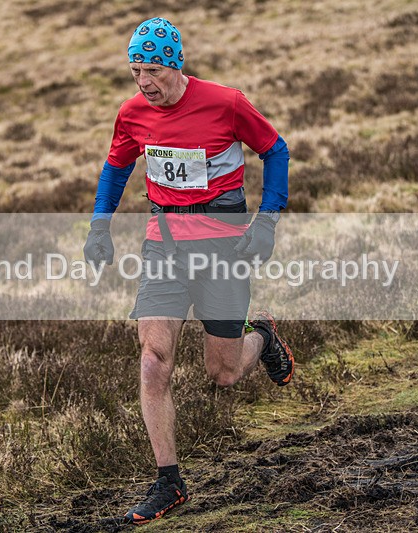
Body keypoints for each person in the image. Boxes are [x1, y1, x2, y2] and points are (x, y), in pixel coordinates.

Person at [83, 16, 294, 525]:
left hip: (223, 247)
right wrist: (98, 227)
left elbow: (275, 149)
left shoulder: (225, 103)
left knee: (222, 373)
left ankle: (261, 337)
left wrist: (267, 221)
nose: (143, 82)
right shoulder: (133, 113)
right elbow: (116, 169)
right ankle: (169, 482)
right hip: (164, 245)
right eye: (135, 70)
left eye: (151, 69)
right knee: (153, 360)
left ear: (175, 65)